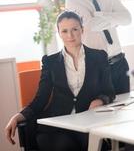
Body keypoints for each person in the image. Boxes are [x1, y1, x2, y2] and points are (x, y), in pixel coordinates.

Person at [5, 11, 115, 151]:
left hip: (88, 122)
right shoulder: (50, 62)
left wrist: (99, 101)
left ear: (82, 29)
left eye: (75, 29)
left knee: (100, 146)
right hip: (56, 125)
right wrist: (17, 116)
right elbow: (40, 99)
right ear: (59, 33)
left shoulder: (99, 56)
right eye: (65, 31)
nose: (70, 35)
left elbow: (109, 91)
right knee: (66, 146)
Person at [66, 0, 132, 95]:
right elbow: (90, 25)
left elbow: (127, 18)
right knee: (101, 112)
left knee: (126, 108)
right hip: (97, 67)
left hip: (120, 63)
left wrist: (99, 16)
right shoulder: (73, 1)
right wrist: (114, 19)